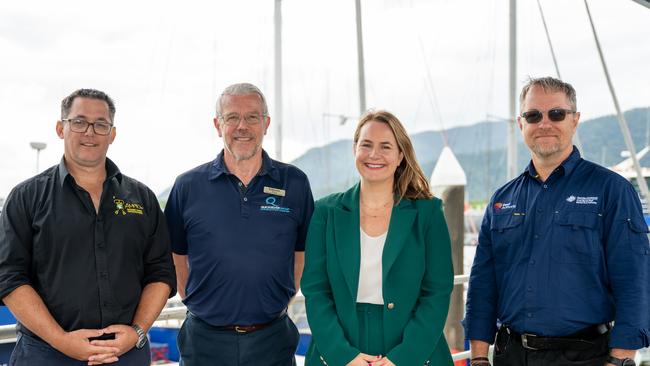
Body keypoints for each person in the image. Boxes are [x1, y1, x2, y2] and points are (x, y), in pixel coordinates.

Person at [464, 76, 650, 366]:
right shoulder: (501, 199)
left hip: (586, 356)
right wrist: (477, 357)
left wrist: (621, 359)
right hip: (510, 356)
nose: (544, 123)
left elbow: (635, 280)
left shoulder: (612, 190)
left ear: (574, 121)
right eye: (533, 115)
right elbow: (482, 284)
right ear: (521, 123)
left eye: (557, 114)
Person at [0, 88, 177, 365]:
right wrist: (61, 340)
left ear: (112, 134)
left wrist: (137, 331)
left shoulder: (142, 198)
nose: (90, 132)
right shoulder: (26, 197)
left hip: (126, 354)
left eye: (100, 124)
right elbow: (9, 277)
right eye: (79, 122)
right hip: (46, 355)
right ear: (61, 128)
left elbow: (161, 272)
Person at [164, 82, 314, 366]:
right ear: (218, 125)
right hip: (204, 340)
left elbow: (301, 254)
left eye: (252, 117)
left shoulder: (294, 183)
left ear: (266, 123)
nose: (242, 126)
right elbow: (176, 257)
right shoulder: (187, 186)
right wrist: (201, 302)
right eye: (232, 117)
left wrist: (277, 297)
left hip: (272, 339)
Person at [301, 110, 454, 366]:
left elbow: (437, 292)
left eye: (386, 146)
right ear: (355, 150)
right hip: (339, 347)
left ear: (400, 156)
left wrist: (403, 358)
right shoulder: (325, 212)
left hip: (412, 348)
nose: (374, 154)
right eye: (366, 145)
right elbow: (316, 291)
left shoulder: (428, 213)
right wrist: (343, 355)